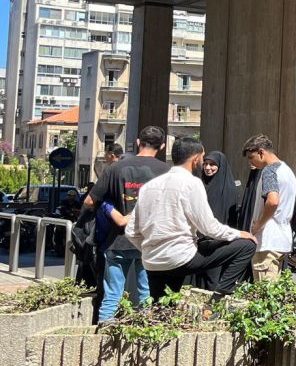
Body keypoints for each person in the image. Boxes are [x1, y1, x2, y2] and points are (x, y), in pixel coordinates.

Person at [127, 136, 258, 297]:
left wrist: (150, 248)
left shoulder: (149, 186)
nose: (204, 165)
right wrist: (239, 234)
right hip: (182, 258)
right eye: (203, 159)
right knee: (247, 245)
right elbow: (210, 228)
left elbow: (131, 231)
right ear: (195, 159)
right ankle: (219, 296)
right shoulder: (191, 183)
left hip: (153, 261)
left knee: (161, 308)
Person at [82, 125, 170, 320]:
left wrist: (114, 211)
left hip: (117, 241)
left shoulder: (115, 168)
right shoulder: (166, 171)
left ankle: (104, 337)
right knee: (146, 293)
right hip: (150, 242)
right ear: (162, 146)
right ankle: (144, 336)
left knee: (112, 293)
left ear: (138, 142)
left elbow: (89, 202)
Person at [242, 134, 296, 282]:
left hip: (268, 240)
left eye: (251, 157)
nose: (250, 162)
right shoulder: (287, 170)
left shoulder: (269, 171)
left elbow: (273, 201)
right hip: (282, 237)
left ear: (261, 152)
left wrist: (258, 225)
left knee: (265, 293)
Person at [201, 151, 239, 226]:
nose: (207, 168)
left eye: (212, 164)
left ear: (221, 166)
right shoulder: (200, 184)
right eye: (205, 164)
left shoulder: (229, 190)